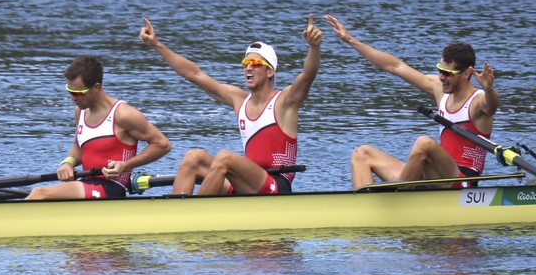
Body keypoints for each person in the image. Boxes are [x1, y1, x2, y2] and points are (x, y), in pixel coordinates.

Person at [139, 14, 322, 195]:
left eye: (255, 63)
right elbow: (195, 75)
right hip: (246, 183)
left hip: (276, 185)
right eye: (245, 63)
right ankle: (175, 215)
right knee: (192, 158)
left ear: (270, 72)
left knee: (225, 158)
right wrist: (157, 45)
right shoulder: (239, 100)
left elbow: (307, 76)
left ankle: (192, 213)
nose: (248, 68)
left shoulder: (285, 101)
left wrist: (314, 47)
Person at [323, 14, 499, 189]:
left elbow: (491, 106)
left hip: (461, 181)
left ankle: (400, 197)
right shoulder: (439, 89)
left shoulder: (478, 101)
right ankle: (364, 206)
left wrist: (489, 89)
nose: (441, 77)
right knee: (362, 154)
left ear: (466, 74)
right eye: (440, 70)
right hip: (431, 176)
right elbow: (395, 66)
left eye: (447, 73)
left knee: (424, 142)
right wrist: (349, 39)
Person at [26, 56, 171, 200]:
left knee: (40, 193)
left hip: (112, 188)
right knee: (37, 194)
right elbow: (78, 144)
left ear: (96, 87)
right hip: (87, 184)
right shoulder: (80, 111)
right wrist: (68, 163)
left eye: (78, 93)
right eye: (69, 91)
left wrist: (125, 165)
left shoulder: (124, 114)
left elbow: (162, 144)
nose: (73, 98)